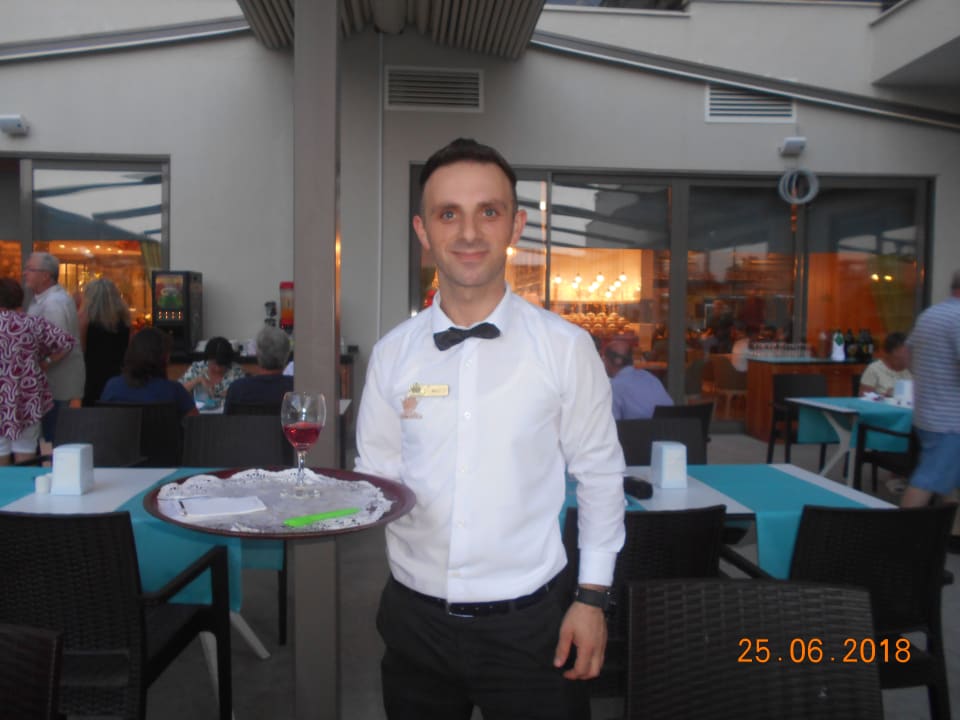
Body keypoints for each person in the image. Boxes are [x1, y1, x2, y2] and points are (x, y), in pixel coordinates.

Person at [354, 138, 625, 720]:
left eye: (489, 211)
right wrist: (313, 506)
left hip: (533, 628)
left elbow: (600, 476)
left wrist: (592, 599)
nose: (469, 232)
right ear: (423, 231)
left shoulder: (566, 348)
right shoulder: (392, 354)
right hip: (414, 625)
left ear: (515, 226)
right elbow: (376, 478)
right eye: (448, 214)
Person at [0, 278, 76, 464]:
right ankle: (25, 483)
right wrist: (46, 361)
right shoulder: (32, 323)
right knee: (25, 450)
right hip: (28, 397)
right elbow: (66, 342)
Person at [901, 270, 960, 509]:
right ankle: (900, 529)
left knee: (946, 481)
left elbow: (907, 355)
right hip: (951, 421)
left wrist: (931, 379)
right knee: (927, 481)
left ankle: (947, 528)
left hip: (928, 414)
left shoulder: (930, 315)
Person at [22, 252, 85, 442]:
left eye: (30, 269)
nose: (25, 273)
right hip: (53, 386)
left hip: (57, 387)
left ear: (45, 275)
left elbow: (61, 344)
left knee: (56, 439)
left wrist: (42, 364)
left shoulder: (54, 304)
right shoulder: (43, 299)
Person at [100, 327, 196, 418]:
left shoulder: (112, 387)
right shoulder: (174, 391)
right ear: (163, 359)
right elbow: (196, 424)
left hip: (122, 431)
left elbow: (104, 422)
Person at [78, 277, 131, 406]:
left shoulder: (85, 320)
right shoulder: (124, 321)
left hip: (90, 376)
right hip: (117, 375)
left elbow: (80, 350)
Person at [223, 326, 294, 412]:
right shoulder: (296, 388)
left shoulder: (237, 389)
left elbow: (227, 419)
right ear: (286, 356)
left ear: (257, 355)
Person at [602, 337, 673, 420]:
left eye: (604, 359)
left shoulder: (614, 386)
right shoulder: (649, 377)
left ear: (616, 361)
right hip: (670, 425)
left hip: (641, 427)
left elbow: (612, 422)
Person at [178, 336, 246, 402]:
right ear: (208, 358)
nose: (217, 369)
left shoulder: (237, 371)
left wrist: (231, 393)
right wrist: (198, 380)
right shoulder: (197, 368)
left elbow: (245, 393)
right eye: (213, 363)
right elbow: (177, 390)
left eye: (222, 365)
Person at [859, 331, 911, 398]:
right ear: (895, 351)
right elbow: (863, 398)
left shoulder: (911, 370)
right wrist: (884, 397)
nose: (911, 352)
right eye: (907, 350)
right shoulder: (874, 369)